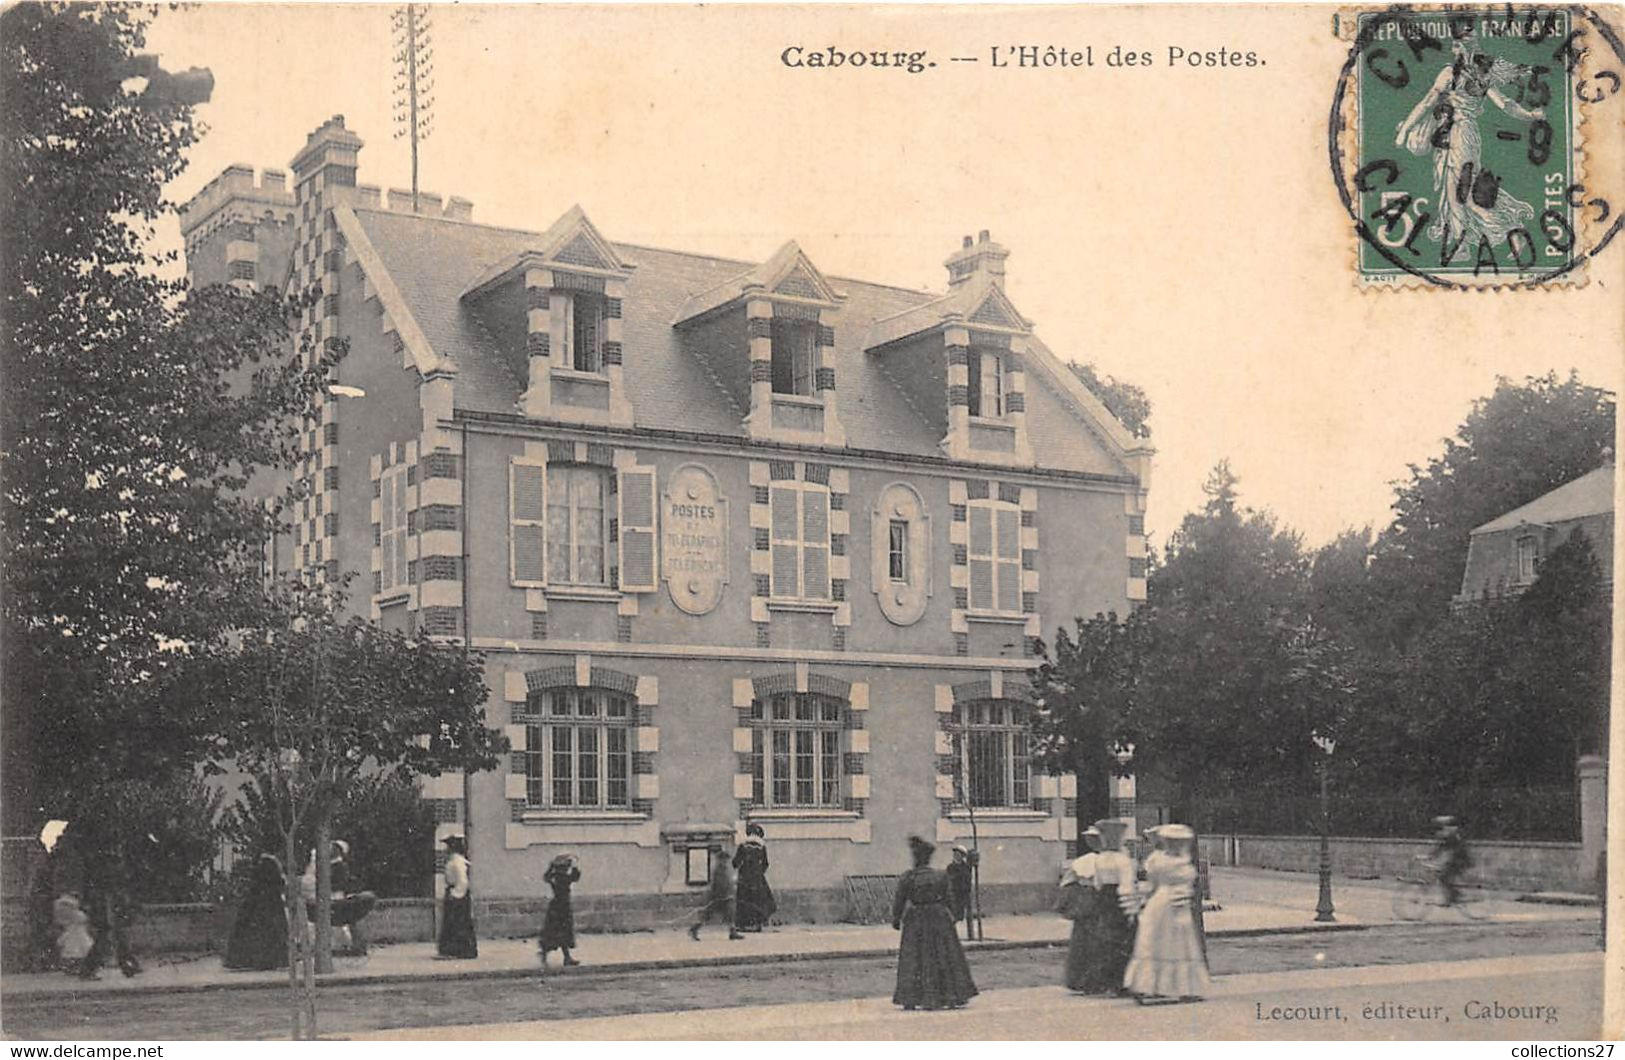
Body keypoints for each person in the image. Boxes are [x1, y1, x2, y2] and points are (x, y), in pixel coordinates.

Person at [1394, 33, 1544, 254]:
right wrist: (1530, 115)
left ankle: (1510, 229)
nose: (1453, 52)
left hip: (1459, 134)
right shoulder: (1482, 76)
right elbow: (1506, 104)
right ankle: (1462, 244)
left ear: (1466, 50)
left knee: (1463, 192)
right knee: (1455, 190)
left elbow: (1427, 103)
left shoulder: (1451, 74)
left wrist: (1405, 130)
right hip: (1462, 135)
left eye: (1456, 47)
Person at [1122, 823, 1210, 1004]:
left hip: (1160, 902)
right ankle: (1172, 987)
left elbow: (1152, 885)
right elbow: (1185, 884)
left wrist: (1143, 900)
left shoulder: (1156, 860)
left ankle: (1154, 986)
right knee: (1175, 944)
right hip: (1173, 903)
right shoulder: (1183, 863)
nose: (1177, 846)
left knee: (1158, 942)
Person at [891, 835, 978, 1011]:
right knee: (945, 956)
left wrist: (896, 919)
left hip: (916, 919)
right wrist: (952, 917)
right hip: (939, 919)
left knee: (914, 958)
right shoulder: (941, 875)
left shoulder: (908, 877)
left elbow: (899, 901)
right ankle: (952, 995)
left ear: (916, 859)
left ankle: (911, 998)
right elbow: (950, 899)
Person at [224, 853, 288, 971]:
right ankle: (269, 960)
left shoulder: (260, 873)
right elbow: (281, 883)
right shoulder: (271, 866)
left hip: (256, 904)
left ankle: (248, 960)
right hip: (269, 905)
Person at [437, 836, 478, 959]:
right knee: (453, 923)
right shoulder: (454, 860)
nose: (446, 850)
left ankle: (461, 950)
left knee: (458, 922)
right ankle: (451, 950)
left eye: (448, 847)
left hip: (458, 894)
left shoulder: (458, 862)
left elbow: (463, 881)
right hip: (454, 891)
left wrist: (455, 895)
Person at [689, 848, 742, 941]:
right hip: (718, 898)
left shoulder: (725, 869)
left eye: (726, 860)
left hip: (725, 897)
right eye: (723, 859)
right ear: (719, 860)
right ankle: (694, 929)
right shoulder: (718, 870)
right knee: (707, 916)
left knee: (730, 914)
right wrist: (726, 894)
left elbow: (727, 882)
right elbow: (719, 884)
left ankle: (733, 932)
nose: (725, 861)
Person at [539, 853, 582, 967]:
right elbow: (576, 876)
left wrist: (551, 867)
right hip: (563, 907)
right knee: (563, 933)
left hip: (556, 907)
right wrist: (574, 866)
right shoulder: (563, 878)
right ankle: (565, 957)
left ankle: (550, 956)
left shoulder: (555, 876)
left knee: (553, 933)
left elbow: (546, 877)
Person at [732, 824, 776, 932]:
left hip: (744, 878)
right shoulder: (761, 847)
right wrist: (759, 872)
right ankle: (757, 923)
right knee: (759, 900)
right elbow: (765, 863)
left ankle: (743, 925)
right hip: (757, 878)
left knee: (744, 900)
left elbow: (735, 862)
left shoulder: (743, 846)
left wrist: (739, 867)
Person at [1427, 816, 1472, 907]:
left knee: (1444, 877)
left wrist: (1428, 857)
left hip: (1460, 860)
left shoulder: (1449, 833)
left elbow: (1440, 849)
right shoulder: (1451, 832)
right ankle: (1452, 896)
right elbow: (1441, 848)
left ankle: (1454, 896)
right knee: (1444, 877)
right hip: (1458, 859)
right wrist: (1430, 857)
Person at [52, 893, 97, 979]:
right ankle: (73, 967)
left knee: (79, 950)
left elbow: (83, 919)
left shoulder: (76, 916)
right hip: (75, 935)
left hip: (79, 935)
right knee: (74, 950)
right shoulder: (74, 918)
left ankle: (75, 967)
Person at [946, 845, 974, 939]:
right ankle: (951, 934)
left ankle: (952, 933)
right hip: (953, 894)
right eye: (955, 854)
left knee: (958, 915)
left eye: (958, 854)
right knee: (953, 915)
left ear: (962, 856)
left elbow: (968, 880)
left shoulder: (966, 867)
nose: (956, 856)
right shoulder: (950, 867)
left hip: (962, 894)